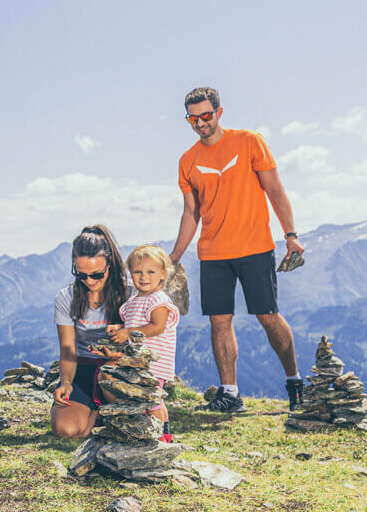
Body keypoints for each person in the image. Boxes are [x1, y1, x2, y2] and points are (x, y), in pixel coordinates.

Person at [170, 86, 305, 414]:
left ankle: (295, 381)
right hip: (213, 254)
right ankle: (230, 395)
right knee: (219, 322)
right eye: (193, 118)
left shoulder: (249, 142)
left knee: (268, 316)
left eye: (206, 115)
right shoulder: (188, 161)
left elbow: (275, 190)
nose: (201, 123)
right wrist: (174, 257)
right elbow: (191, 213)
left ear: (219, 112)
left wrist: (290, 235)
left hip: (255, 247)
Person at [51, 225, 130, 439]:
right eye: (81, 275)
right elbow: (68, 349)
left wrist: (117, 355)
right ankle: (98, 414)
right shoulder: (66, 297)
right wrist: (66, 383)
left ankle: (111, 412)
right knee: (65, 431)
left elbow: (147, 342)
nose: (89, 281)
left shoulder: (130, 294)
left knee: (108, 374)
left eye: (96, 274)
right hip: (82, 369)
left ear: (110, 264)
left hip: (117, 369)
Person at [109, 244, 180, 432]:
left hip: (155, 362)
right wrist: (120, 328)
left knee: (153, 401)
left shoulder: (158, 300)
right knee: (152, 399)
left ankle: (159, 436)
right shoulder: (134, 299)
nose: (144, 277)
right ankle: (161, 434)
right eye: (137, 272)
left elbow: (157, 327)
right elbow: (134, 323)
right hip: (139, 361)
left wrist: (128, 332)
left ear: (163, 274)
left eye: (151, 272)